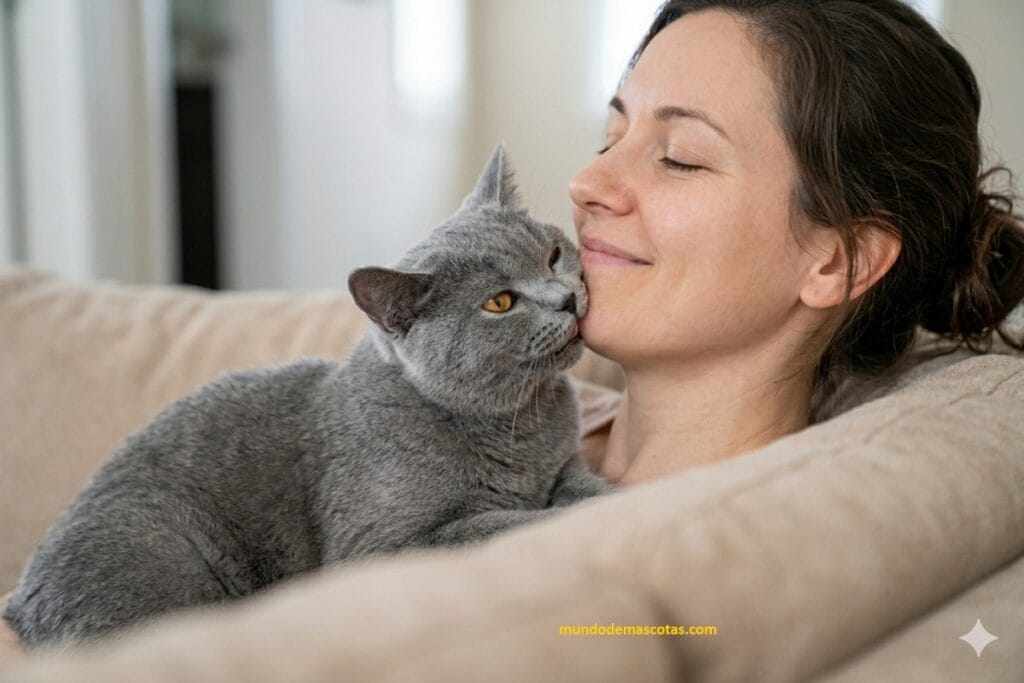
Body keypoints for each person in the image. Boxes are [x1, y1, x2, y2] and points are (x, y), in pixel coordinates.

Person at [570, 0, 1024, 486]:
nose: (587, 183)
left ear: (836, 262)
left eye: (680, 158)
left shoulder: (734, 543)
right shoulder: (514, 425)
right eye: (611, 139)